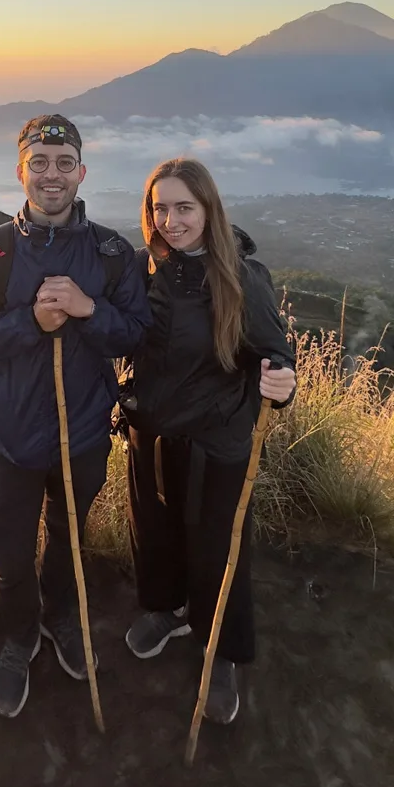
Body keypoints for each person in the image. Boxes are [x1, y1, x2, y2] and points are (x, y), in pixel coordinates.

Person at [0, 114, 151, 719]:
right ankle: (20, 635)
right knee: (6, 544)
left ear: (82, 172)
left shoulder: (112, 255)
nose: (52, 174)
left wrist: (89, 310)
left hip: (84, 434)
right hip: (12, 438)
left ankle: (61, 618)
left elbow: (136, 335)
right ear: (20, 172)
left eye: (64, 163)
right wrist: (29, 323)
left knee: (67, 536)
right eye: (40, 162)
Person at [124, 157, 296, 725]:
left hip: (216, 442)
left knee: (219, 551)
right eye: (160, 208)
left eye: (184, 208)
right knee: (157, 530)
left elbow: (275, 353)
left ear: (209, 209)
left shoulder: (242, 277)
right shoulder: (145, 272)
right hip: (152, 432)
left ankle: (221, 650)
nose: (171, 220)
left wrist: (282, 379)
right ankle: (169, 608)